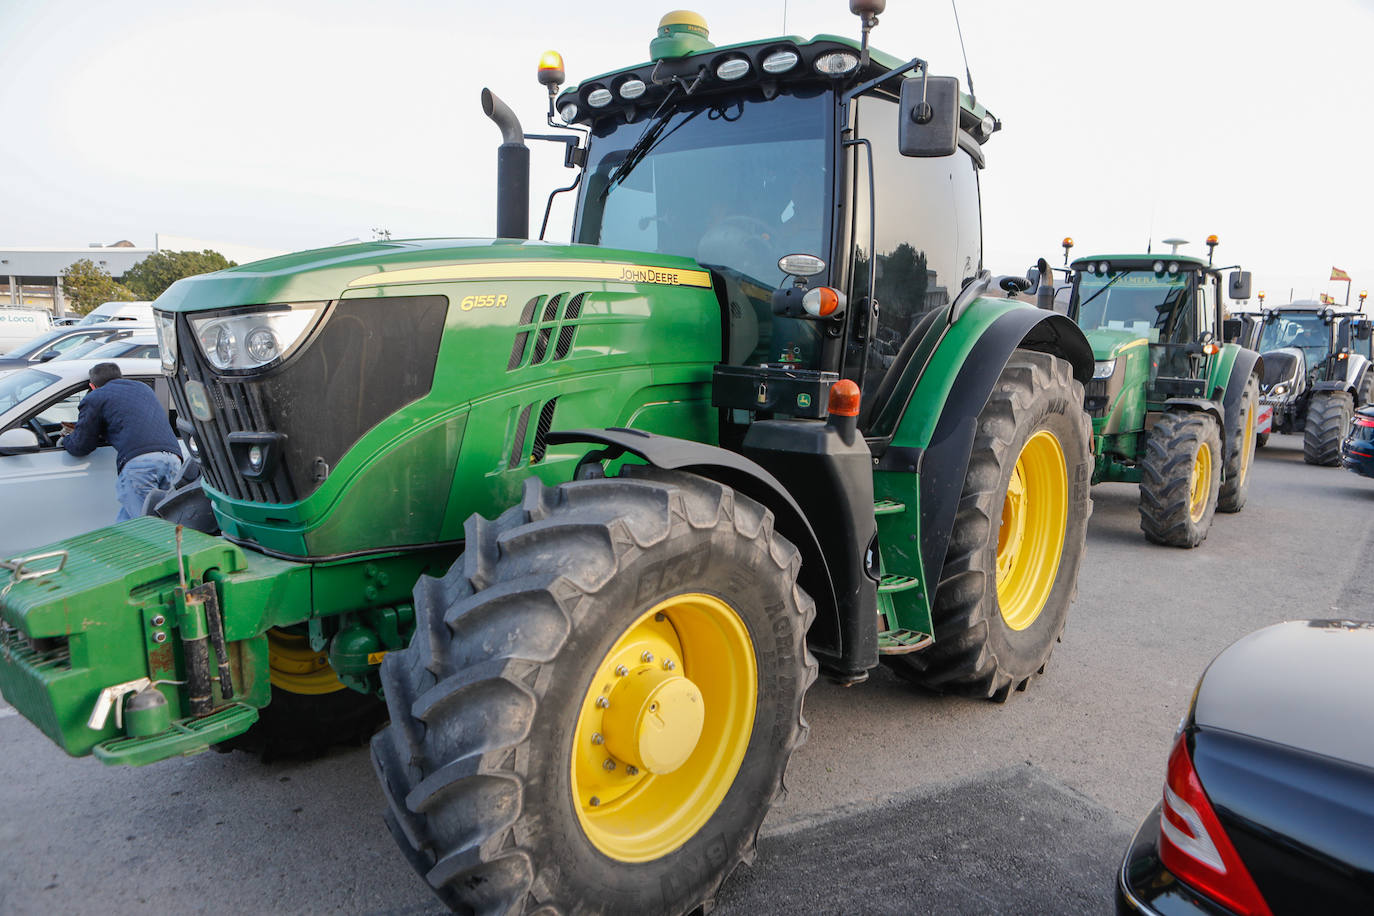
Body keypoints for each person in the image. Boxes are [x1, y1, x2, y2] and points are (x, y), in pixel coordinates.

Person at [61, 362, 182, 522]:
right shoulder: (142, 389)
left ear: (92, 386)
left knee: (150, 528)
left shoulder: (96, 396)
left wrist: (65, 439)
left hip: (141, 465)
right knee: (129, 524)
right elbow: (130, 420)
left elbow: (81, 446)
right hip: (173, 460)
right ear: (120, 377)